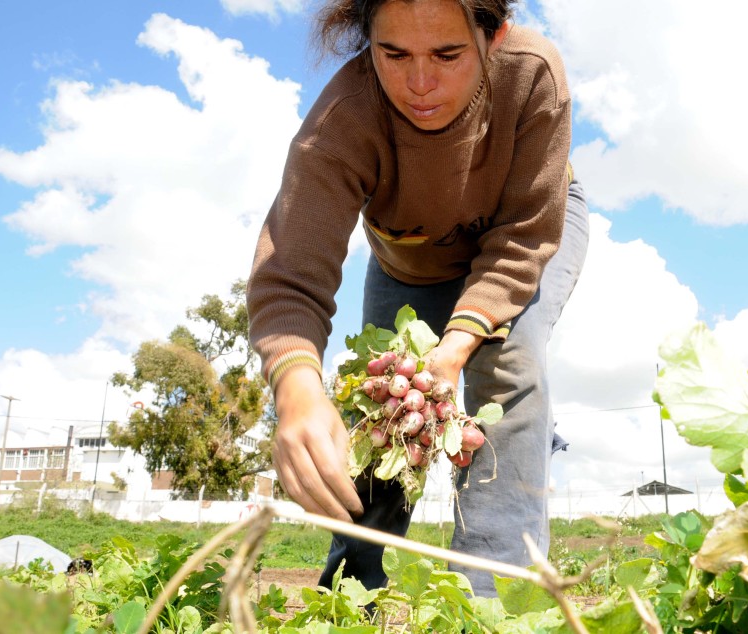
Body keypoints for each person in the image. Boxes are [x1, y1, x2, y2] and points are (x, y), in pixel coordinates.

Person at [247, 0, 589, 598]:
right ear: (368, 45)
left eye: (448, 55)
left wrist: (456, 349)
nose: (420, 84)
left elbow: (524, 239)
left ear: (494, 36)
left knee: (510, 361)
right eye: (394, 54)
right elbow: (291, 275)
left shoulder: (533, 73)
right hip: (409, 262)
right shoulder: (342, 122)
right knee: (388, 395)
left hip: (524, 231)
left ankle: (489, 596)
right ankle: (352, 588)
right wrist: (297, 391)